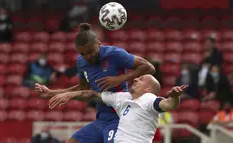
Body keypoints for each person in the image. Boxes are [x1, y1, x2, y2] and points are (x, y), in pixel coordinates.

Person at [35, 23, 155, 143]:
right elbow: (83, 90)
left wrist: (121, 78)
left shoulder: (114, 54)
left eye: (91, 51)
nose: (88, 56)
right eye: (83, 53)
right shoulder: (81, 62)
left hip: (119, 118)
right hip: (101, 119)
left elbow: (149, 67)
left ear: (98, 43)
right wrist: (51, 93)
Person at [48, 74, 187, 143]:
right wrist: (70, 94)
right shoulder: (122, 98)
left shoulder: (149, 99)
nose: (136, 79)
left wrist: (175, 97)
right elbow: (92, 95)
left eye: (142, 79)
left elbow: (168, 104)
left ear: (148, 89)